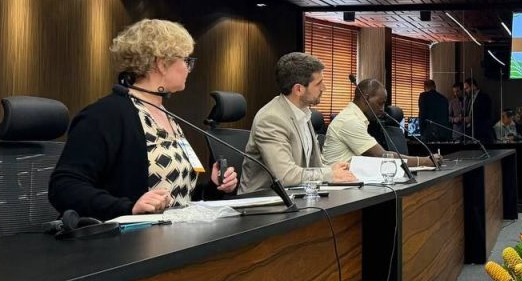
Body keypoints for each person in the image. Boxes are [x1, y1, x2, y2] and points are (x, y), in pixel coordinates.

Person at [50, 19, 238, 221]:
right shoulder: (105, 115)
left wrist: (214, 187)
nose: (188, 68)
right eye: (186, 60)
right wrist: (128, 208)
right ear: (161, 63)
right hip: (128, 238)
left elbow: (177, 198)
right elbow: (64, 187)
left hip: (174, 235)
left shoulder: (166, 116)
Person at [241, 52, 356, 193]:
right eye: (318, 83)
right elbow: (286, 176)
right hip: (264, 200)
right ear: (298, 89)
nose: (324, 88)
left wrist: (331, 169)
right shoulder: (271, 119)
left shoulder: (303, 113)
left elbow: (309, 168)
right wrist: (329, 174)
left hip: (297, 195)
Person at [322, 78, 439, 167]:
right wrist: (424, 161)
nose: (382, 109)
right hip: (337, 186)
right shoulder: (349, 121)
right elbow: (381, 156)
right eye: (380, 103)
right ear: (365, 99)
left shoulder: (356, 118)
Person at [463, 78, 493, 144]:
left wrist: (472, 119)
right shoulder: (468, 98)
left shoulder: (484, 97)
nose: (465, 91)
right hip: (470, 132)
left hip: (481, 133)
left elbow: (486, 115)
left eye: (467, 88)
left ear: (473, 86)